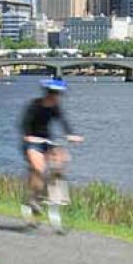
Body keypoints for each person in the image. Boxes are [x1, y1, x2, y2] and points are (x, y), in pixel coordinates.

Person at [20, 78, 82, 225]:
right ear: (49, 94)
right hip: (32, 143)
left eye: (59, 95)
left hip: (47, 141)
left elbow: (64, 122)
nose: (57, 98)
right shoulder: (34, 106)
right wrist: (29, 137)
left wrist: (70, 135)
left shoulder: (55, 107)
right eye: (56, 95)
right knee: (38, 169)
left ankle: (56, 193)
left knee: (62, 158)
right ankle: (33, 199)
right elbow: (23, 125)